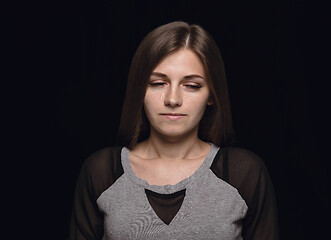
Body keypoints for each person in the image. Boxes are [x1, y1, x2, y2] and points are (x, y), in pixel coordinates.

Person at [69, 21, 279, 240]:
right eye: (158, 83)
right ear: (140, 90)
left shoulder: (243, 173)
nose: (172, 99)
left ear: (211, 96)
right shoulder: (102, 172)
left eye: (192, 85)